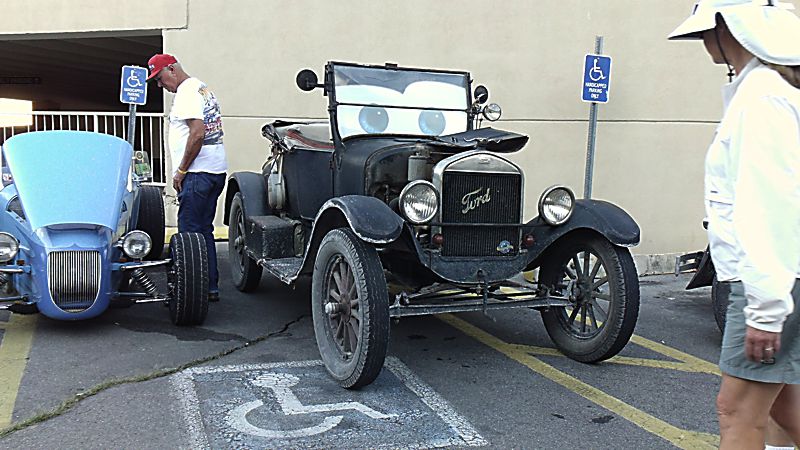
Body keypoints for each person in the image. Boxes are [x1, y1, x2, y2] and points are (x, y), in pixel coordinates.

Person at [669, 1, 800, 448]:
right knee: (784, 406)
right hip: (782, 276)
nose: (704, 40)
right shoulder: (769, 90)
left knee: (736, 411)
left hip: (769, 279)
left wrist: (765, 308)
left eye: (709, 29)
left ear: (733, 30)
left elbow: (770, 205)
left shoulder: (762, 97)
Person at [147, 54, 227, 302]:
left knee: (189, 237)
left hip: (198, 175)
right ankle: (209, 287)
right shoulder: (200, 88)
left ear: (171, 69)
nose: (161, 86)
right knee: (203, 232)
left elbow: (197, 134)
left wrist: (181, 170)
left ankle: (192, 294)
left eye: (160, 78)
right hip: (213, 171)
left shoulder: (186, 93)